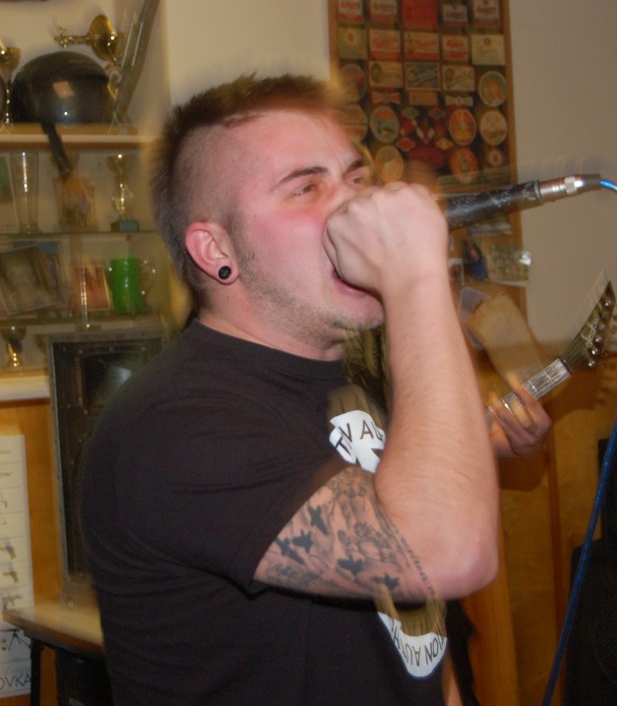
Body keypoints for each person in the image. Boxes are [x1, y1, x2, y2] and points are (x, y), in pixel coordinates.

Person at [79, 73, 550, 705]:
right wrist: (415, 278)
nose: (354, 207)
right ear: (215, 249)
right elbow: (443, 554)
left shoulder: (356, 378)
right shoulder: (174, 424)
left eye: (355, 178)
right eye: (306, 187)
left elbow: (419, 639)